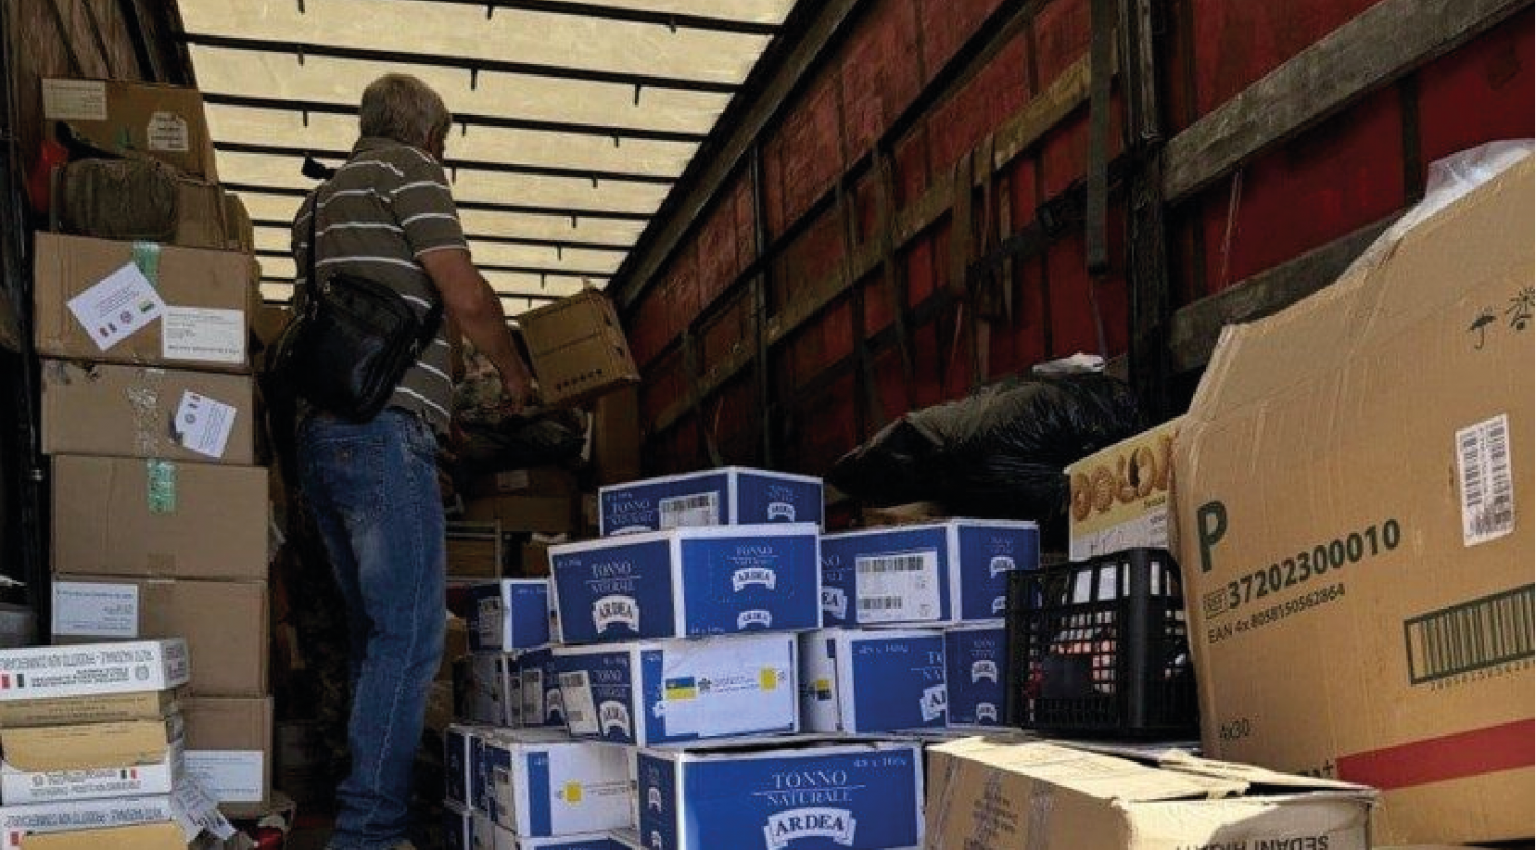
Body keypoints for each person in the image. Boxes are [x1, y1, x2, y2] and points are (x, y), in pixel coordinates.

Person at [289, 73, 533, 850]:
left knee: (376, 638)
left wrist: (438, 405)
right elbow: (463, 295)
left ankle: (368, 817)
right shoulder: (410, 171)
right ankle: (369, 831)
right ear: (431, 135)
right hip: (383, 437)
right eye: (445, 143)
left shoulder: (317, 205)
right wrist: (514, 372)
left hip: (323, 436)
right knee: (414, 637)